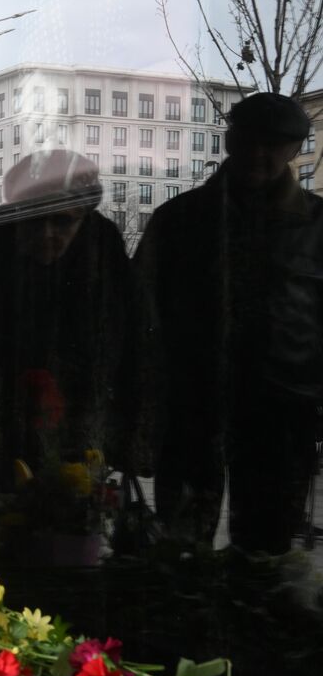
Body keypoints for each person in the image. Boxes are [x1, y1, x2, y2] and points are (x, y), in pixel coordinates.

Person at [138, 92, 323, 554]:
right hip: (189, 408)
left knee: (266, 551)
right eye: (250, 140)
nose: (260, 153)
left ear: (294, 149)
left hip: (283, 412)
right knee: (178, 546)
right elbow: (139, 317)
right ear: (229, 141)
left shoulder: (319, 225)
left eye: (276, 144)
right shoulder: (178, 220)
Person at [0, 149, 148, 505]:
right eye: (34, 222)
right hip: (3, 444)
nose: (47, 234)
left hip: (82, 444)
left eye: (62, 222)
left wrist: (134, 434)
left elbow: (139, 352)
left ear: (83, 218)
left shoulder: (109, 270)